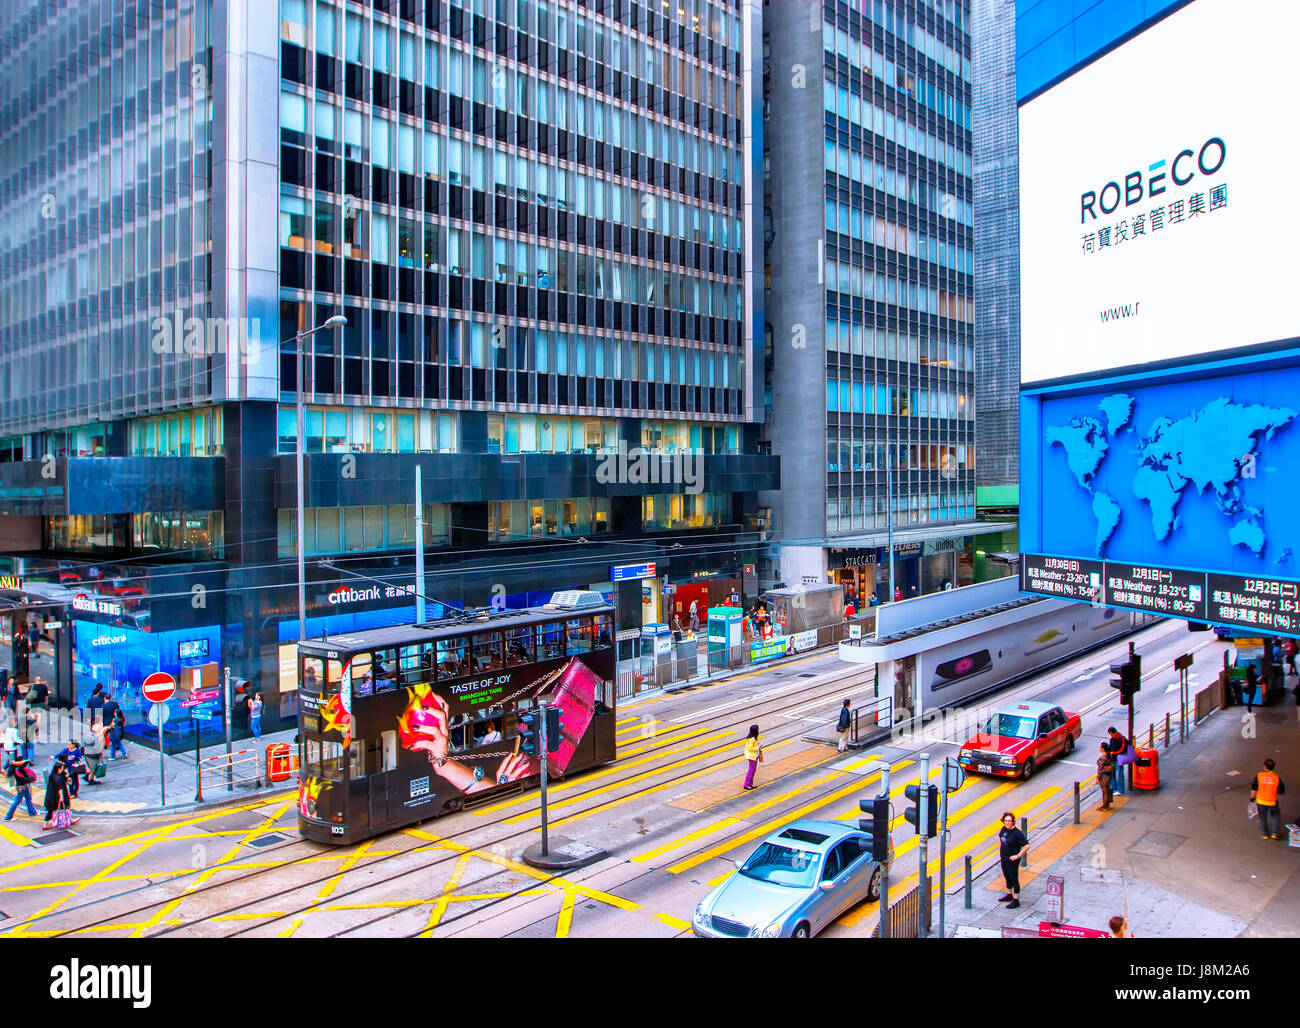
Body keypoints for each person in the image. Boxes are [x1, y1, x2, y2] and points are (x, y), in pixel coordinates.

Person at [996, 812, 1029, 909]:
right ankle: (1009, 894)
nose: (1007, 823)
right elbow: (1001, 839)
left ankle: (1016, 900)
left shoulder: (1017, 834)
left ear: (1013, 822)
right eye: (1006, 821)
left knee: (1014, 878)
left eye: (1009, 821)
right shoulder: (1003, 830)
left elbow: (1026, 845)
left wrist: (1018, 856)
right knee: (1007, 876)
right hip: (1004, 858)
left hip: (1012, 860)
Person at [1251, 758, 1285, 840]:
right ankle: (1275, 833)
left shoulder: (1259, 775)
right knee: (1275, 816)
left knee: (1262, 817)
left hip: (1261, 800)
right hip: (1272, 801)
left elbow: (1254, 789)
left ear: (1264, 766)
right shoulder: (1276, 778)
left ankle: (1264, 834)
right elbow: (1281, 791)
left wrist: (1252, 798)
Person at [42, 760, 77, 831]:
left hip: (50, 796)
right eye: (62, 768)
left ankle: (45, 824)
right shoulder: (59, 778)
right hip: (57, 796)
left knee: (51, 810)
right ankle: (69, 820)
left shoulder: (52, 776)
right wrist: (61, 797)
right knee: (65, 807)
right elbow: (60, 788)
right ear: (59, 769)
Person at [4, 752, 38, 821]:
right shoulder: (20, 768)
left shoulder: (15, 768)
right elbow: (27, 762)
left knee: (28, 798)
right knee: (17, 801)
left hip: (21, 786)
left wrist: (14, 763)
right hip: (22, 787)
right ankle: (8, 816)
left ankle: (32, 812)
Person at [1105, 727, 1130, 796]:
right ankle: (1114, 788)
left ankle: (1120, 789)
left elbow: (1123, 750)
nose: (1111, 736)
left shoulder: (1122, 739)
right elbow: (1110, 747)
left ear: (1115, 732)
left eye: (1111, 734)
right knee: (1112, 773)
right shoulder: (1112, 739)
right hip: (1113, 759)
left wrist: (1114, 753)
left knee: (1120, 774)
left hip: (1119, 759)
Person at [81, 719, 105, 785]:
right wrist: (100, 756)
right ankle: (91, 779)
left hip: (87, 754)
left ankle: (87, 776)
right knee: (93, 767)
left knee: (91, 766)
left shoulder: (89, 734)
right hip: (93, 755)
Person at [1096, 743, 1116, 811]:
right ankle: (1107, 805)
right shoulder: (1109, 756)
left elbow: (1100, 769)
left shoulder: (1102, 759)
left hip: (1103, 776)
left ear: (1102, 749)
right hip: (1109, 775)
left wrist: (1097, 778)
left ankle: (1104, 806)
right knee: (1107, 790)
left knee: (1105, 791)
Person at [742, 724, 762, 791]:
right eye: (758, 729)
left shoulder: (755, 737)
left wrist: (758, 745)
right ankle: (746, 784)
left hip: (754, 755)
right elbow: (751, 748)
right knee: (751, 770)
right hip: (752, 756)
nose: (759, 730)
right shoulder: (752, 739)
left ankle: (750, 783)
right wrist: (758, 747)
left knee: (753, 770)